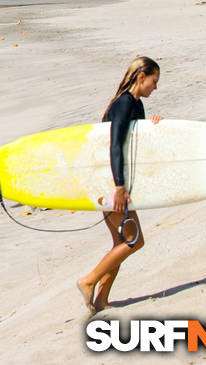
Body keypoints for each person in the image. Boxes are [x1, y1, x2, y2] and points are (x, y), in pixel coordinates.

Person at [77, 56, 163, 314]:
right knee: (134, 241)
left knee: (121, 243)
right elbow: (115, 145)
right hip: (111, 183)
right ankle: (88, 280)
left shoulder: (135, 105)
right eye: (154, 81)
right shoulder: (124, 104)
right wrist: (119, 187)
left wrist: (152, 127)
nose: (155, 88)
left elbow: (135, 141)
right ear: (141, 77)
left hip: (112, 181)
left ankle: (101, 300)